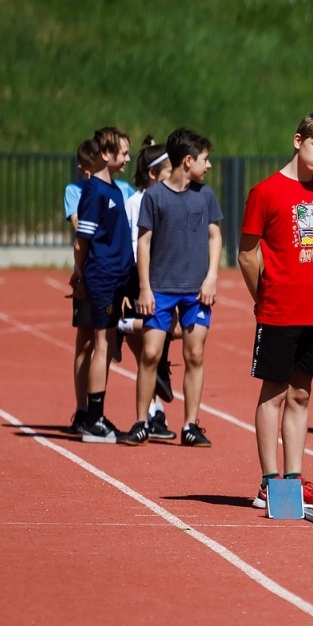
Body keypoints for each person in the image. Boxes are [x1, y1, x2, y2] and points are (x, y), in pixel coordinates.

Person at [238, 113, 313, 508]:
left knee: (301, 395)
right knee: (274, 394)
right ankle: (269, 482)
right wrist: (261, 297)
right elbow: (247, 255)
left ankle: (294, 477)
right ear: (298, 141)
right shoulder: (265, 192)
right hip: (279, 309)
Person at [117, 128, 222, 447]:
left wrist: (211, 277)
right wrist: (145, 288)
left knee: (195, 355)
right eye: (205, 159)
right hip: (160, 288)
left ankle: (191, 425)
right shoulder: (154, 197)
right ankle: (141, 422)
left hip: (196, 290)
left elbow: (215, 236)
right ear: (188, 161)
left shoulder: (205, 195)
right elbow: (143, 243)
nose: (209, 165)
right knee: (150, 353)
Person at [71, 127, 135, 442]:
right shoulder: (94, 192)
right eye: (123, 153)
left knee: (107, 344)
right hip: (102, 276)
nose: (128, 159)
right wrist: (81, 276)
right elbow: (81, 242)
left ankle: (97, 415)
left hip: (117, 276)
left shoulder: (114, 190)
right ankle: (93, 419)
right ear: (106, 154)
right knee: (101, 344)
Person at [116, 136, 178, 440]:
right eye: (169, 171)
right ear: (153, 174)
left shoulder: (170, 199)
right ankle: (154, 412)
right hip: (140, 278)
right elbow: (134, 243)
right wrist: (139, 285)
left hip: (166, 279)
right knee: (150, 348)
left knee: (161, 343)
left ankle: (156, 409)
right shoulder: (136, 202)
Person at [65, 138, 102, 431]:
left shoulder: (120, 189)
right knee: (86, 341)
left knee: (111, 341)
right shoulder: (74, 191)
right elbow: (80, 229)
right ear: (82, 169)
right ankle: (82, 410)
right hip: (89, 272)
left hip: (112, 273)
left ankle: (153, 410)